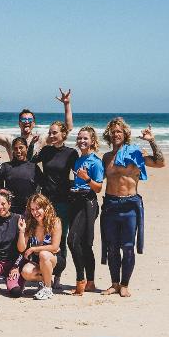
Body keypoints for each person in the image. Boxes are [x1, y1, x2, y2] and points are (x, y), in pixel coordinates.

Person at [100, 117, 165, 297]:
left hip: (130, 205)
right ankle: (114, 284)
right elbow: (97, 179)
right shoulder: (106, 157)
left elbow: (160, 162)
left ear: (125, 134)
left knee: (128, 247)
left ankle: (125, 284)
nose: (115, 135)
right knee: (112, 247)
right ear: (109, 135)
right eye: (113, 132)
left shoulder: (135, 153)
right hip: (111, 204)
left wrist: (152, 141)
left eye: (119, 131)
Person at [30, 119, 78, 289]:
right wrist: (33, 144)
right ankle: (44, 272)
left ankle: (57, 275)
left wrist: (75, 189)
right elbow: (31, 161)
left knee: (60, 239)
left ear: (63, 134)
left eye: (54, 132)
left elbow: (78, 174)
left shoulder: (71, 153)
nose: (51, 135)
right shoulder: (46, 151)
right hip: (46, 201)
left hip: (64, 201)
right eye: (50, 132)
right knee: (42, 237)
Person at [0, 88, 73, 160]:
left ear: (34, 124)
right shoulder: (11, 141)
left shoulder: (41, 140)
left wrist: (67, 104)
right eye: (24, 120)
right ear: (19, 123)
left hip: (35, 184)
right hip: (15, 182)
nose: (27, 122)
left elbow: (67, 129)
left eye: (29, 120)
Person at [67, 126, 104, 295]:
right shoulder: (78, 160)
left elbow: (98, 188)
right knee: (84, 245)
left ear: (92, 141)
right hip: (76, 202)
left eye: (86, 138)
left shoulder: (95, 161)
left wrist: (86, 178)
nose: (82, 141)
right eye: (80, 138)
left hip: (88, 203)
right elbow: (76, 183)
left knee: (73, 240)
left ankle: (81, 279)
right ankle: (90, 282)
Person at [17, 193, 65, 300]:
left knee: (44, 254)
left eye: (37, 208)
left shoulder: (55, 222)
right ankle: (45, 280)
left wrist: (34, 248)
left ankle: (48, 289)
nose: (35, 212)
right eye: (32, 209)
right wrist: (22, 231)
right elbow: (21, 248)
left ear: (46, 207)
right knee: (26, 272)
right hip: (37, 262)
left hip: (55, 260)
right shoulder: (30, 224)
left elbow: (54, 247)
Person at [0, 137, 43, 214]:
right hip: (10, 211)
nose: (18, 151)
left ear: (26, 148)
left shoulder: (33, 167)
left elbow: (42, 183)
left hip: (29, 210)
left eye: (21, 148)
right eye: (15, 149)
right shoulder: (6, 166)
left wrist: (36, 196)